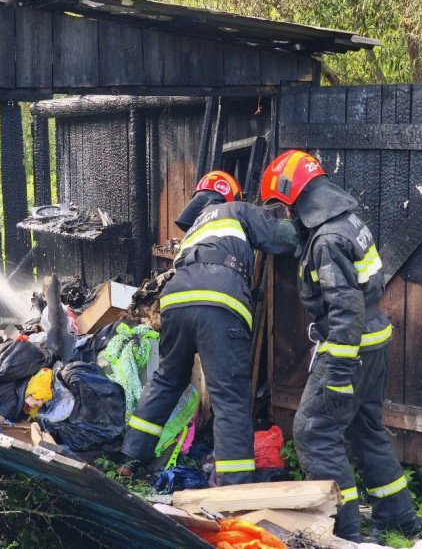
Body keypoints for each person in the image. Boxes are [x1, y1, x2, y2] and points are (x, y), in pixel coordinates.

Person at [260, 149, 422, 541]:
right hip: (373, 342)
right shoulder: (346, 221)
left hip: (348, 348)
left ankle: (343, 530)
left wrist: (336, 373)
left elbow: (344, 308)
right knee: (365, 430)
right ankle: (397, 518)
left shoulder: (328, 241)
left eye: (285, 207)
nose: (286, 215)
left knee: (313, 431)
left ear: (298, 198)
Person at [120, 170, 298, 485]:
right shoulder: (238, 210)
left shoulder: (195, 229)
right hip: (219, 300)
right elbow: (280, 238)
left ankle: (131, 459)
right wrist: (308, 225)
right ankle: (234, 486)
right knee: (229, 395)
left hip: (174, 301)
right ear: (231, 195)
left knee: (167, 380)